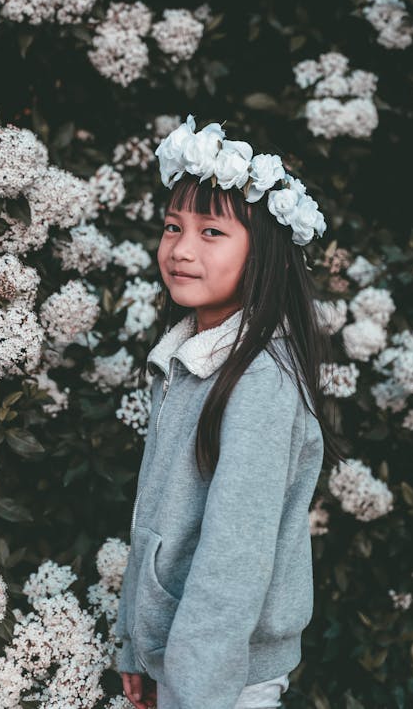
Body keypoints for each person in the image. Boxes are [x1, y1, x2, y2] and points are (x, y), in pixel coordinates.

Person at [116, 115, 343, 709]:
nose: (181, 250)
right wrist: (135, 648)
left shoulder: (261, 382)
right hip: (180, 660)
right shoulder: (184, 358)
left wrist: (190, 693)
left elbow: (232, 566)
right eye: (172, 227)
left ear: (263, 252)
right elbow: (152, 513)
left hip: (225, 678)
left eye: (211, 232)